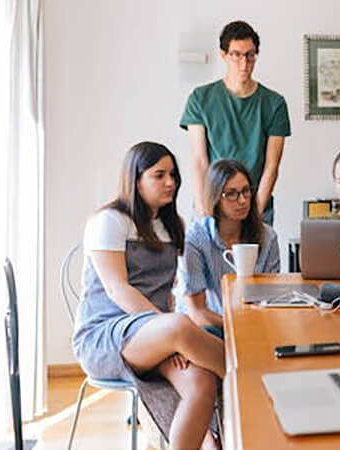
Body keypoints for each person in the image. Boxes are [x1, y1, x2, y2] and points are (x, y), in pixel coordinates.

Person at [73, 142, 223, 449]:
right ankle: (251, 381)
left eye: (173, 175)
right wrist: (170, 333)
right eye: (159, 175)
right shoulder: (110, 221)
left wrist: (168, 335)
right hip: (106, 337)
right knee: (181, 325)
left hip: (154, 336)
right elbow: (118, 290)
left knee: (202, 384)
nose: (171, 182)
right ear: (135, 178)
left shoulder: (171, 226)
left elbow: (166, 293)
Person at [181, 20, 290, 225]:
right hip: (213, 201)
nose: (244, 63)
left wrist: (255, 215)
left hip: (255, 202)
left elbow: (272, 166)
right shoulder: (200, 98)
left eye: (250, 55)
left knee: (256, 257)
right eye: (236, 55)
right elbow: (199, 160)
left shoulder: (274, 103)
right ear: (223, 55)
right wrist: (204, 209)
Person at [177, 159, 280, 338]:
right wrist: (238, 325)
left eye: (246, 191)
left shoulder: (268, 236)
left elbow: (270, 299)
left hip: (254, 324)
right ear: (215, 197)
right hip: (207, 327)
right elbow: (197, 313)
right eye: (231, 194)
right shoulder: (196, 237)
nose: (242, 200)